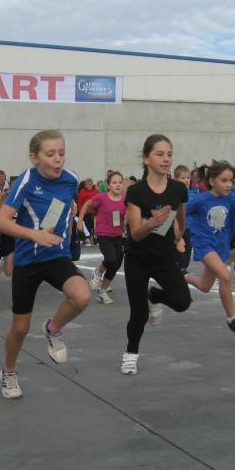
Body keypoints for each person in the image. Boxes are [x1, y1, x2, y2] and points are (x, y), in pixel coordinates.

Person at [0, 129, 90, 398]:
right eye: (50, 154)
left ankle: (53, 328)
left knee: (82, 296)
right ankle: (9, 371)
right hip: (28, 260)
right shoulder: (26, 181)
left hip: (56, 255)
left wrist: (66, 240)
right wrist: (34, 234)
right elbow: (0, 221)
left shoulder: (71, 179)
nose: (57, 159)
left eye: (61, 153)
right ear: (34, 157)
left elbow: (64, 210)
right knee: (20, 328)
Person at [121, 135, 192, 375]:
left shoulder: (178, 189)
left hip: (164, 256)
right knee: (139, 314)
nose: (166, 159)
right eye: (159, 154)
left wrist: (179, 235)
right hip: (137, 257)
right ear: (146, 159)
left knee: (182, 302)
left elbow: (181, 215)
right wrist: (152, 223)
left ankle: (155, 296)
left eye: (169, 154)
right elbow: (135, 234)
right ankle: (131, 353)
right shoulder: (136, 192)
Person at [185, 160, 235, 335]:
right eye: (224, 180)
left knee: (205, 286)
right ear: (212, 181)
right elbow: (182, 213)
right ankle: (231, 318)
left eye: (230, 180)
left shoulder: (231, 200)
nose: (229, 184)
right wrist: (177, 235)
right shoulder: (200, 199)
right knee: (225, 275)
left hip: (220, 246)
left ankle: (184, 276)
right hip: (204, 244)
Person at [77, 171, 127, 304]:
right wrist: (80, 221)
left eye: (120, 182)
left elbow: (129, 215)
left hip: (118, 235)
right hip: (104, 235)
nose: (117, 185)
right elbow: (86, 205)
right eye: (114, 182)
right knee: (111, 260)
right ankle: (98, 272)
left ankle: (102, 290)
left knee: (116, 264)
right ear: (108, 185)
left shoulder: (125, 200)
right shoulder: (101, 198)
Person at [172, 165, 193, 273]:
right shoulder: (173, 194)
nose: (186, 180)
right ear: (175, 179)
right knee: (180, 258)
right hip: (176, 229)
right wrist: (178, 235)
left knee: (186, 258)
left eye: (188, 178)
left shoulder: (192, 194)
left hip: (188, 229)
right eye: (183, 178)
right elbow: (172, 214)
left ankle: (180, 270)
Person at [77, 178, 99, 246]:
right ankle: (87, 239)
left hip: (95, 212)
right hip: (85, 213)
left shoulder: (96, 191)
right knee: (87, 226)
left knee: (96, 226)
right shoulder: (81, 192)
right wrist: (80, 213)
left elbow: (100, 202)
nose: (89, 185)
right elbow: (79, 204)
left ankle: (96, 240)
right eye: (87, 184)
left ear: (92, 184)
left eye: (90, 184)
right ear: (85, 185)